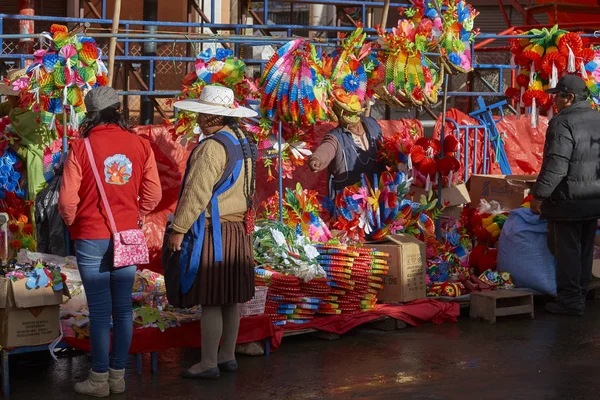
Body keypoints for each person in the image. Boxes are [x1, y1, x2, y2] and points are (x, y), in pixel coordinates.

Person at [58, 86, 162, 397]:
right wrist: (136, 213)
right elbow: (154, 194)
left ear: (91, 115)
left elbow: (66, 203)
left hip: (91, 236)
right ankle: (118, 376)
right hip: (128, 234)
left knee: (101, 312)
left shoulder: (81, 148)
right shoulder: (140, 145)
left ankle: (98, 378)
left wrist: (75, 221)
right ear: (118, 110)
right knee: (123, 310)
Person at [164, 85, 257, 379]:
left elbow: (196, 193)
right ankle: (227, 356)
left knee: (212, 301)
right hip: (237, 231)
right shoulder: (244, 142)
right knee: (230, 299)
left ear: (207, 117)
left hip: (215, 233)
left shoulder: (211, 147)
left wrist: (178, 230)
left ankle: (208, 363)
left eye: (200, 114)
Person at [530, 75, 600, 316]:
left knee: (567, 251)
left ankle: (570, 301)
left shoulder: (563, 123)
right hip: (593, 199)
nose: (554, 100)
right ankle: (579, 296)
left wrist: (539, 195)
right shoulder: (597, 118)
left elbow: (556, 165)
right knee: (584, 249)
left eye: (557, 95)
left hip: (567, 200)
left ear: (569, 98)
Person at [308, 101, 386, 197]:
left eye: (351, 111)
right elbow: (327, 148)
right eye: (344, 112)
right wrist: (317, 159)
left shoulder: (373, 125)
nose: (349, 115)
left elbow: (386, 152)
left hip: (380, 199)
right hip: (349, 205)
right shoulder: (336, 137)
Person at [1, 68, 48, 199]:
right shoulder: (14, 106)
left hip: (34, 165)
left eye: (9, 95)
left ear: (20, 98)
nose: (7, 97)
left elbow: (36, 156)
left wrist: (16, 147)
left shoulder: (34, 116)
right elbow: (3, 108)